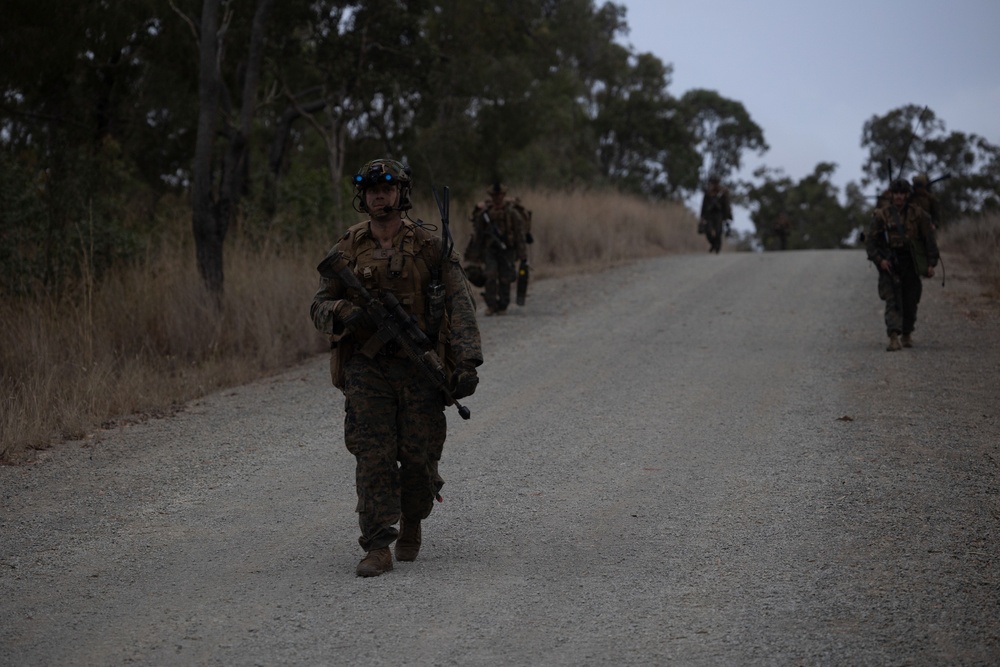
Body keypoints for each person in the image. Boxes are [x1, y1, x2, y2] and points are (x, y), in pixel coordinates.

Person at [310, 158, 483, 577]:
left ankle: (413, 520)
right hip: (366, 368)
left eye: (386, 188)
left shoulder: (429, 245)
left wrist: (466, 363)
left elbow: (460, 306)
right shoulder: (348, 246)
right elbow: (318, 306)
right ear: (362, 196)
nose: (378, 195)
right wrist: (342, 311)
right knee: (373, 456)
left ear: (401, 193)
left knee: (419, 457)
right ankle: (377, 544)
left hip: (420, 365)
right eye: (371, 189)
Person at [865, 178, 939, 351]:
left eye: (902, 193)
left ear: (907, 195)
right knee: (892, 300)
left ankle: (906, 333)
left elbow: (929, 240)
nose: (898, 197)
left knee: (910, 300)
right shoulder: (882, 215)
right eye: (895, 193)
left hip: (911, 262)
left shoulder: (918, 214)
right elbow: (870, 242)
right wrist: (880, 260)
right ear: (891, 195)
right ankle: (893, 336)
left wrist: (931, 263)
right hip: (889, 262)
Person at [465, 183, 528, 315]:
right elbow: (478, 236)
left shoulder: (512, 213)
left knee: (505, 278)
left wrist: (522, 255)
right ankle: (491, 305)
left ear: (503, 196)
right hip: (490, 250)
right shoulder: (485, 214)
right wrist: (474, 256)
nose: (497, 199)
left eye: (499, 196)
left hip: (508, 250)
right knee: (490, 275)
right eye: (494, 196)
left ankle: (503, 306)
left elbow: (519, 235)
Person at [699, 175, 732, 254]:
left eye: (716, 183)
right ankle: (713, 244)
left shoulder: (722, 193)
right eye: (713, 183)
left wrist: (728, 217)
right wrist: (702, 217)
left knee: (718, 231)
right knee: (708, 231)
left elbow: (726, 205)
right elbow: (704, 205)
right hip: (709, 214)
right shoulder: (708, 193)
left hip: (719, 214)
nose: (714, 185)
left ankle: (717, 247)